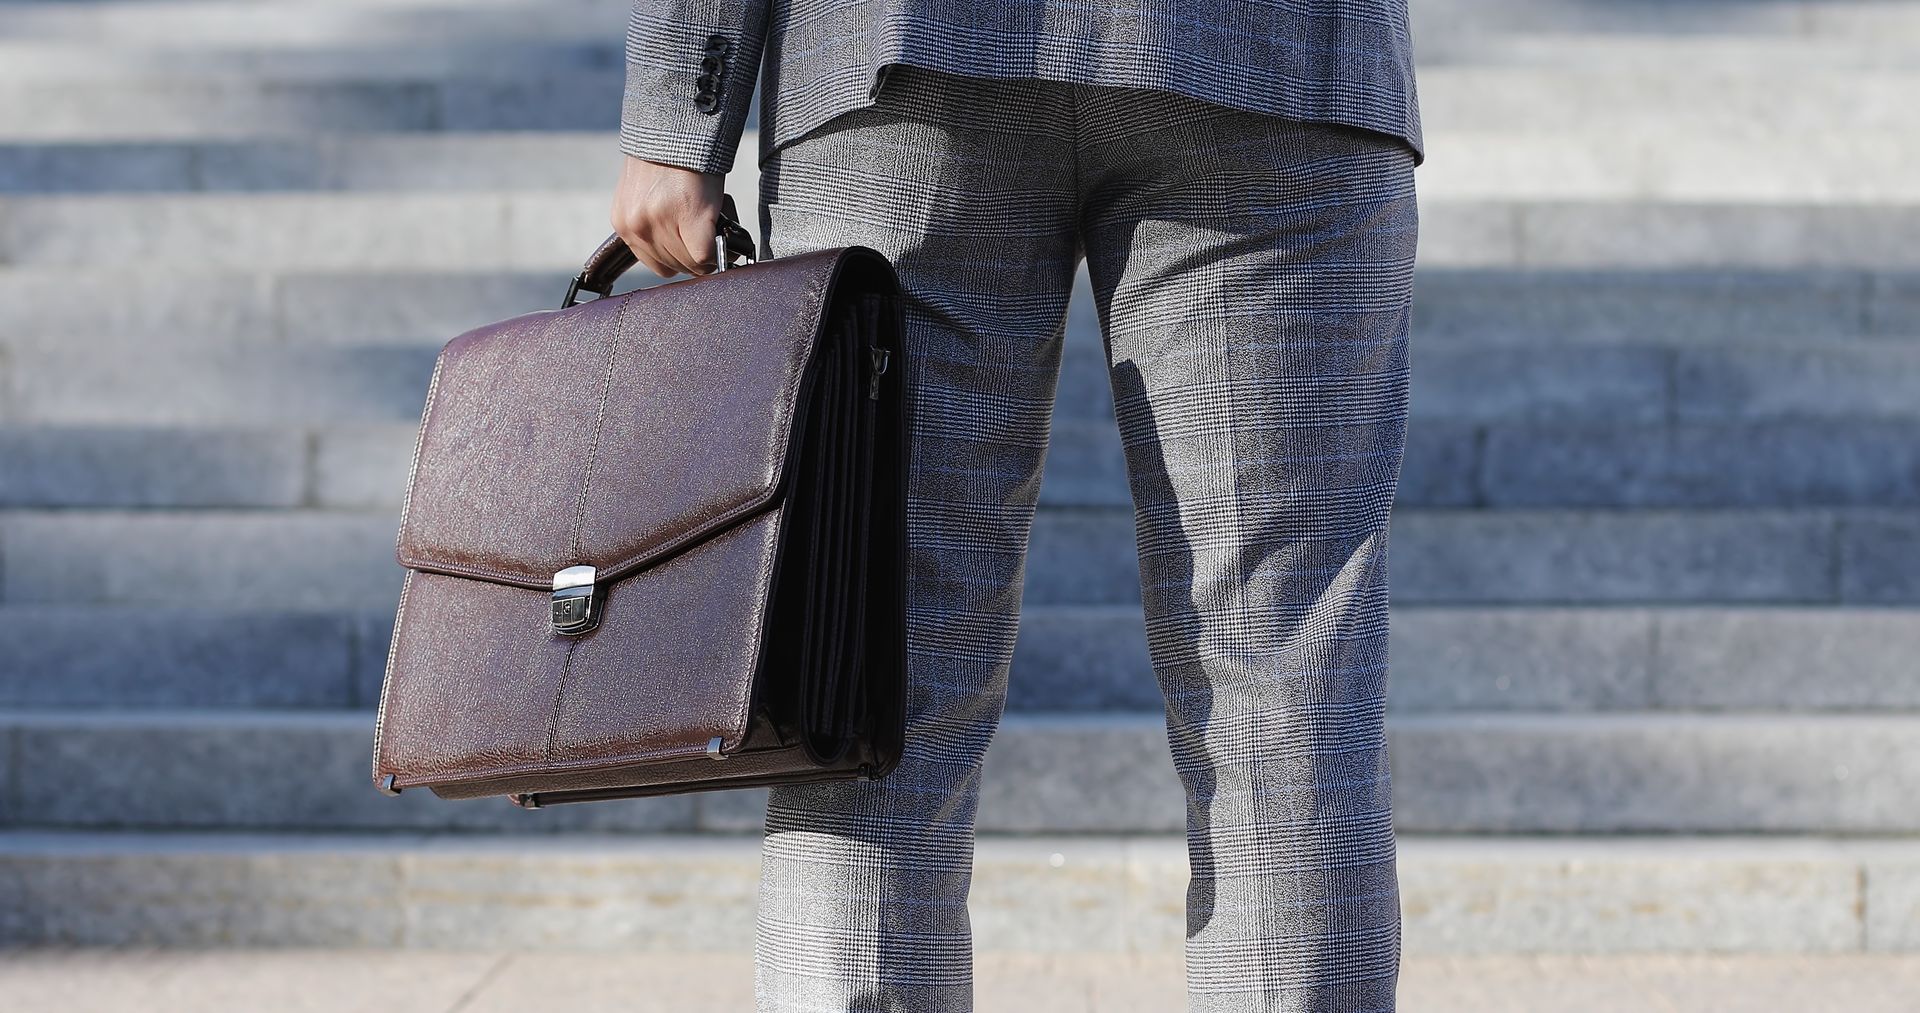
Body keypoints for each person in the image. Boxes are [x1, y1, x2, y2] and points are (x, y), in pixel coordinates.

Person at [610, 3, 1423, 1010]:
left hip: (897, 54)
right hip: (1279, 57)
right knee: (1282, 669)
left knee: (871, 665)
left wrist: (680, 104)